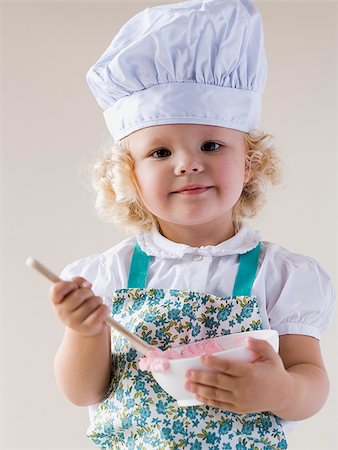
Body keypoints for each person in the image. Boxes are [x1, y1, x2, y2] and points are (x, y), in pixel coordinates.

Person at [49, 0, 335, 449]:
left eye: (212, 145)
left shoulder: (281, 276)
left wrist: (281, 390)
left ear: (250, 163)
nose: (187, 164)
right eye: (160, 153)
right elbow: (83, 392)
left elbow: (311, 381)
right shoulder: (108, 274)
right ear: (129, 175)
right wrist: (85, 331)